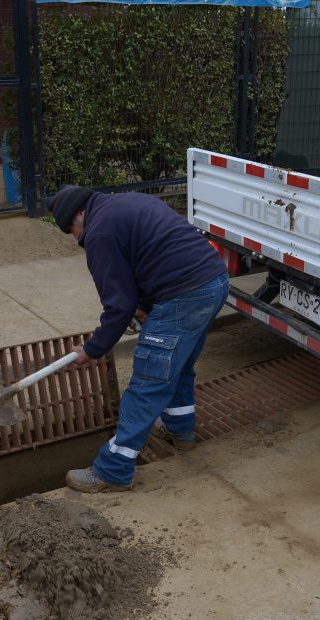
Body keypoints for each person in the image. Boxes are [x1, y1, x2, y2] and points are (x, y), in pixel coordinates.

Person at [48, 185, 229, 493]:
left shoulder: (99, 233)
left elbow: (118, 305)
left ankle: (113, 471)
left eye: (71, 229)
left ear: (79, 213)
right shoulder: (127, 202)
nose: (75, 237)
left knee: (148, 381)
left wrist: (91, 349)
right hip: (213, 282)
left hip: (183, 295)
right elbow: (149, 260)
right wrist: (143, 307)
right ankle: (180, 430)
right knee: (178, 365)